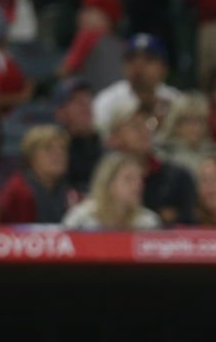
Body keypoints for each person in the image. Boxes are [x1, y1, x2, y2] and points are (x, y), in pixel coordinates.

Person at [98, 95, 196, 225]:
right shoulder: (101, 174)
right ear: (114, 137)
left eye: (148, 123)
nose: (144, 131)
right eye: (135, 126)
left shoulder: (178, 177)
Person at [93, 33, 183, 133]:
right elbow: (99, 136)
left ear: (164, 68)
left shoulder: (176, 99)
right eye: (131, 59)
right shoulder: (107, 100)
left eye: (148, 59)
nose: (138, 66)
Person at [61, 151, 161, 230]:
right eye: (129, 179)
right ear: (108, 183)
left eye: (140, 179)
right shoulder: (80, 219)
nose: (138, 185)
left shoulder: (148, 222)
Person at [0, 125, 75, 224]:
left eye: (62, 149)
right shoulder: (18, 191)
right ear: (31, 156)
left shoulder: (68, 191)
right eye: (49, 149)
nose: (59, 154)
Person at [52, 77, 102, 194]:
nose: (86, 108)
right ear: (60, 112)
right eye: (78, 102)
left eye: (88, 101)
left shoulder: (103, 147)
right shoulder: (53, 151)